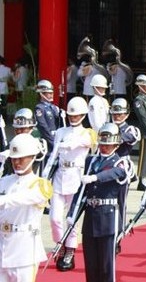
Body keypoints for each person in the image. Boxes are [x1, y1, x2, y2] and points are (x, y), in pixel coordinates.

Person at [69, 123, 128, 282]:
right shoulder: (91, 161)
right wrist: (72, 213)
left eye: (108, 145)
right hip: (91, 216)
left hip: (109, 217)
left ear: (116, 144)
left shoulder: (120, 161)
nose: (104, 147)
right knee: (91, 264)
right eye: (102, 144)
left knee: (106, 267)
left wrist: (96, 177)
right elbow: (81, 190)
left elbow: (118, 173)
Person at [42, 96, 95, 271]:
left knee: (71, 219)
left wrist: (69, 144)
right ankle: (60, 244)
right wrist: (44, 177)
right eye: (71, 115)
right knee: (54, 217)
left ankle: (70, 250)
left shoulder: (88, 132)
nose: (73, 117)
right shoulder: (60, 132)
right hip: (60, 176)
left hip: (76, 177)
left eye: (77, 114)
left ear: (83, 115)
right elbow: (53, 156)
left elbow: (84, 142)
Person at [0, 133, 52, 282]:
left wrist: (3, 200)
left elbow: (20, 199)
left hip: (24, 250)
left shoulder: (41, 185)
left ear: (32, 157)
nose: (17, 162)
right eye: (14, 158)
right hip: (3, 246)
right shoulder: (5, 181)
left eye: (21, 158)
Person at [110, 98, 141, 239]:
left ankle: (119, 231)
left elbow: (133, 137)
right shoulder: (108, 127)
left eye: (120, 114)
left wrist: (112, 135)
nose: (116, 116)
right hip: (107, 167)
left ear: (127, 115)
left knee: (120, 201)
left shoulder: (129, 129)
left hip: (122, 168)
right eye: (115, 114)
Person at [0, 108, 48, 176]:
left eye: (22, 129)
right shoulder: (12, 144)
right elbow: (6, 171)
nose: (19, 131)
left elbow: (38, 151)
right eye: (16, 129)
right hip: (12, 181)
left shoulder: (39, 144)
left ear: (31, 128)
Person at [35, 80, 63, 165]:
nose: (51, 95)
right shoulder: (39, 108)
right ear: (41, 94)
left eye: (51, 93)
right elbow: (43, 127)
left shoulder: (54, 107)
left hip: (56, 138)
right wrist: (53, 142)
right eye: (48, 93)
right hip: (48, 141)